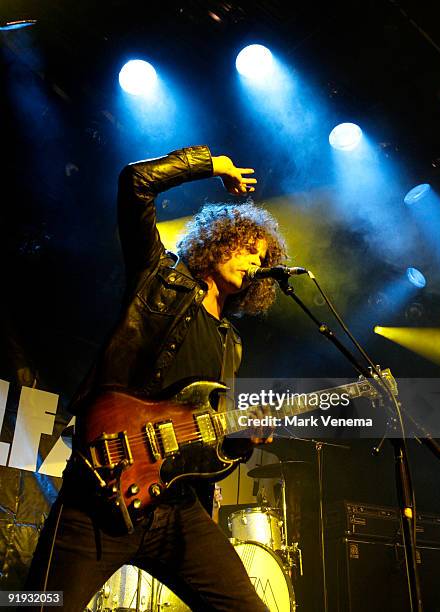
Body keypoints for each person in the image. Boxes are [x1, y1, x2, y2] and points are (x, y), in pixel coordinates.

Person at [25, 145, 288, 611]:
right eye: (248, 248)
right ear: (218, 241)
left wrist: (242, 439)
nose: (253, 263)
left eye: (261, 259)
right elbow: (134, 183)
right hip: (101, 492)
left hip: (177, 508)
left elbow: (203, 437)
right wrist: (213, 165)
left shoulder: (232, 344)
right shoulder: (159, 279)